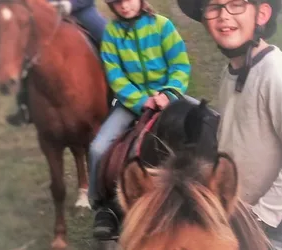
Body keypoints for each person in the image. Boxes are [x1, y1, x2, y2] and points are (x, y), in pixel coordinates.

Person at [177, 0, 282, 249]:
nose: (224, 15)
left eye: (236, 4)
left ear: (261, 14)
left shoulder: (274, 74)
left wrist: (261, 215)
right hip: (244, 208)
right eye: (214, 7)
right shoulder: (231, 72)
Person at [88, 0, 191, 240]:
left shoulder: (162, 25)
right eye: (116, 3)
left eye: (128, 0)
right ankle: (100, 203)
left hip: (167, 98)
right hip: (131, 103)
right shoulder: (112, 33)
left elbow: (180, 65)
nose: (123, 6)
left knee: (207, 122)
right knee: (97, 148)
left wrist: (168, 93)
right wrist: (139, 100)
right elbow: (115, 75)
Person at [6, 0, 107, 126]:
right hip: (46, 14)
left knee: (107, 37)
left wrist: (69, 5)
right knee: (26, 48)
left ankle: (120, 92)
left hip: (80, 11)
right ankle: (23, 105)